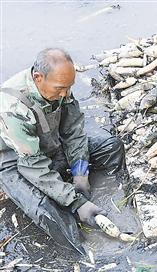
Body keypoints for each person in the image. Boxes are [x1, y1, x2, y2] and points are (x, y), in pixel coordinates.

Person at [0, 48, 125, 254]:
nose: (65, 94)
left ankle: (77, 191)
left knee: (112, 147)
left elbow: (73, 132)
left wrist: (80, 172)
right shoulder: (13, 108)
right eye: (60, 89)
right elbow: (33, 165)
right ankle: (85, 252)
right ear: (38, 78)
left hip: (52, 146)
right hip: (19, 163)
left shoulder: (60, 86)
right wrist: (76, 202)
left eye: (69, 87)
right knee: (48, 214)